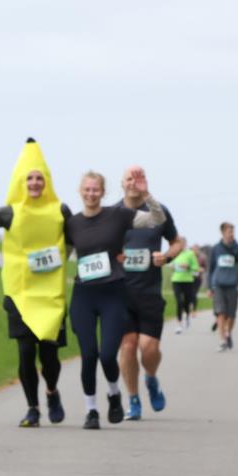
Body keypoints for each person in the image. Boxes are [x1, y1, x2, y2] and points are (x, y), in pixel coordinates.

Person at [0, 139, 70, 428]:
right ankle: (32, 408)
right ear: (20, 182)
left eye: (40, 178)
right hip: (20, 293)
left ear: (47, 181)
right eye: (30, 178)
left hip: (51, 295)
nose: (35, 183)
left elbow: (81, 238)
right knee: (26, 353)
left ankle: (52, 391)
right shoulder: (9, 212)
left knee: (49, 356)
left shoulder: (60, 211)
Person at [65, 170, 166, 429]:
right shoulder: (72, 223)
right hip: (84, 294)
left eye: (95, 190)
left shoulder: (117, 215)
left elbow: (157, 218)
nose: (91, 194)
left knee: (108, 355)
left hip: (112, 293)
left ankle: (114, 393)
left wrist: (146, 194)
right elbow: (61, 257)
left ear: (103, 192)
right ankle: (91, 411)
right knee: (88, 355)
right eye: (87, 190)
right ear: (80, 191)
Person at [117, 165, 183, 421]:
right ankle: (133, 400)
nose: (133, 182)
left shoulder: (158, 211)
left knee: (149, 349)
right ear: (121, 183)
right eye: (129, 178)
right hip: (120, 292)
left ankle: (151, 378)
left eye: (139, 178)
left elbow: (178, 242)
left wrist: (166, 257)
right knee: (128, 345)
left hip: (149, 292)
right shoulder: (113, 214)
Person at [208, 223, 238, 352]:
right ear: (223, 232)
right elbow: (211, 269)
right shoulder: (216, 249)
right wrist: (209, 287)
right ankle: (222, 340)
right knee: (221, 312)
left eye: (233, 232)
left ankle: (228, 332)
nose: (231, 234)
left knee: (231, 315)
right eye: (229, 232)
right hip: (218, 285)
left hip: (232, 285)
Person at [170, 242, 200, 333]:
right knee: (179, 301)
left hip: (188, 280)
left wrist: (188, 266)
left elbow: (196, 267)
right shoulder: (174, 253)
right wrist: (172, 266)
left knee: (187, 301)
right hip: (176, 280)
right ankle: (179, 324)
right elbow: (170, 264)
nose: (181, 246)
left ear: (185, 244)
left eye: (182, 244)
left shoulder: (190, 254)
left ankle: (187, 316)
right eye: (179, 244)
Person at [190, 243, 206, 319]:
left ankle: (194, 310)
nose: (195, 250)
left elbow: (204, 268)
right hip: (189, 278)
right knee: (189, 294)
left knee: (194, 294)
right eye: (194, 249)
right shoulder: (189, 256)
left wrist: (200, 270)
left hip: (197, 278)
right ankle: (189, 308)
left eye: (196, 249)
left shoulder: (202, 258)